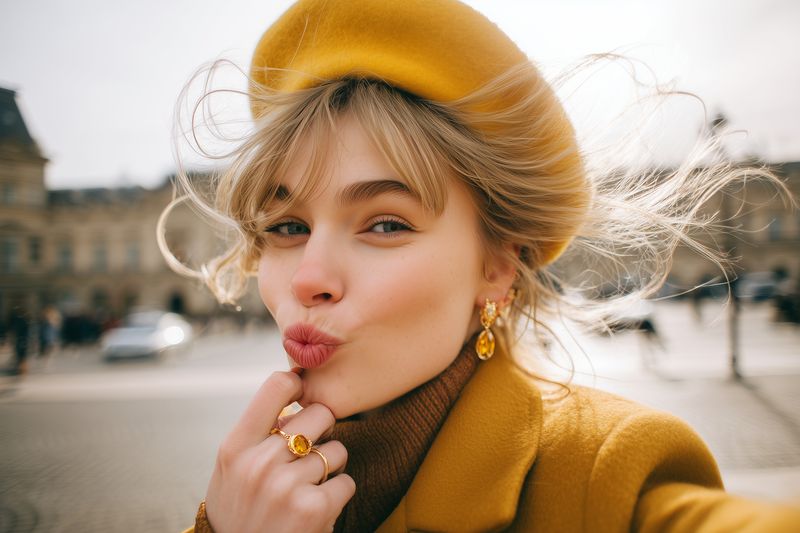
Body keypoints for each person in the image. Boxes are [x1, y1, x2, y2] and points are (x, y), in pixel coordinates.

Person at [162, 1, 800, 531]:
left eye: (385, 224)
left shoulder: (605, 476)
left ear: (496, 267)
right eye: (287, 227)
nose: (306, 277)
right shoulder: (240, 498)